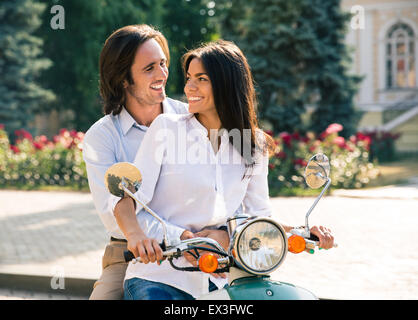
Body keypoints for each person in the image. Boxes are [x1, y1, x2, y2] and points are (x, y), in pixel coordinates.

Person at [121, 40, 335, 300]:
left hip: (218, 280)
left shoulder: (253, 144)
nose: (189, 87)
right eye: (189, 78)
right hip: (159, 277)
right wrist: (184, 238)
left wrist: (304, 232)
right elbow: (130, 203)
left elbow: (257, 218)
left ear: (226, 84)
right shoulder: (166, 129)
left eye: (201, 79)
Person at [82, 24, 228, 300]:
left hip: (205, 249)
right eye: (149, 68)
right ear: (124, 79)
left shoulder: (193, 117)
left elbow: (225, 187)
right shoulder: (102, 137)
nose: (162, 73)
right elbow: (114, 217)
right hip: (132, 252)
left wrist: (220, 233)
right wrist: (183, 237)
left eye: (163, 63)